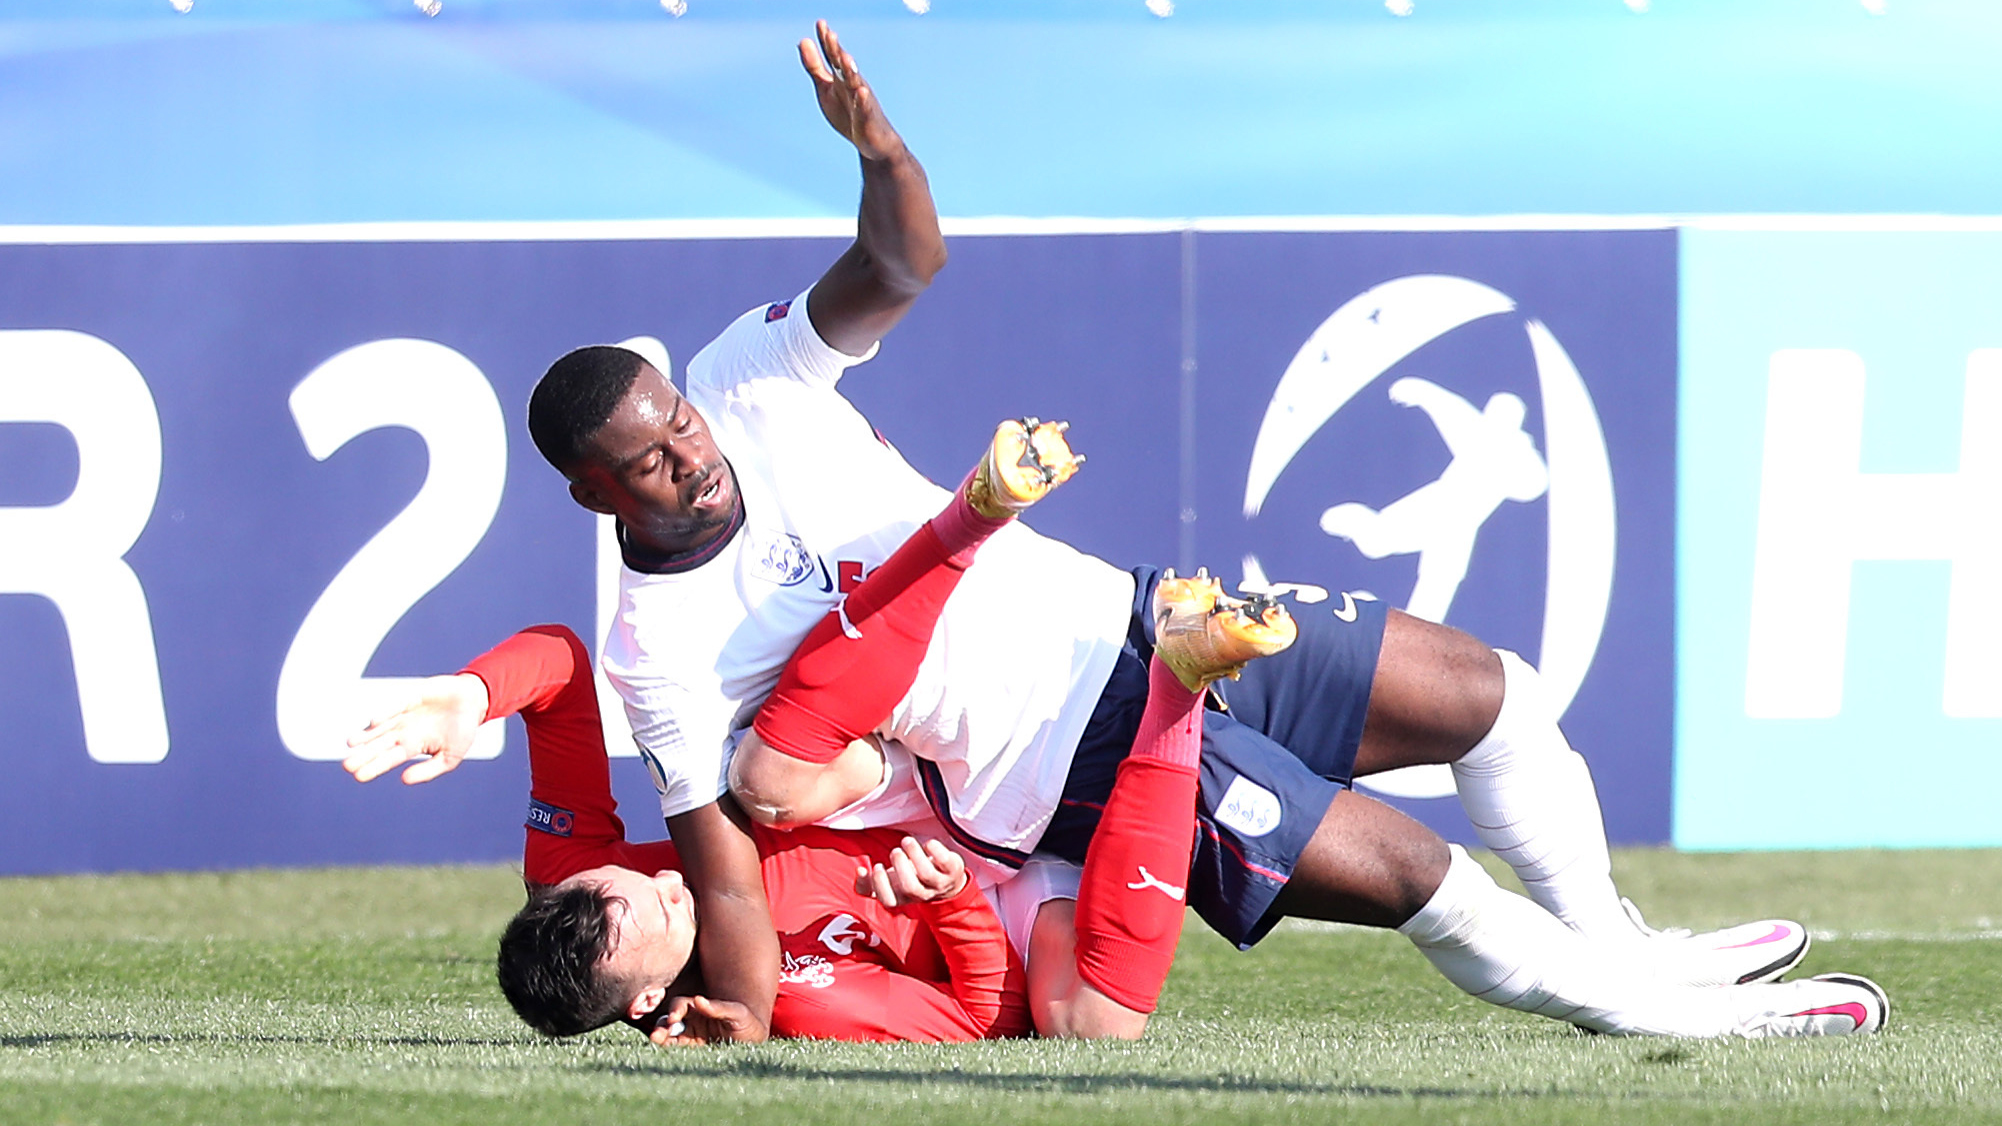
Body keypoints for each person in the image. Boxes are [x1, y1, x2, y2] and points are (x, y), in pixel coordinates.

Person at [353, 419, 1887, 1042]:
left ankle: (1616, 940)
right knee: (1422, 872)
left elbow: (550, 665)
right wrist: (928, 895)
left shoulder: (766, 425)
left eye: (613, 892)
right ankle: (1652, 1011)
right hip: (1074, 762)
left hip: (1126, 615)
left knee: (1494, 696)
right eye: (641, 927)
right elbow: (957, 1007)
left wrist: (458, 694)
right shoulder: (681, 682)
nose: (646, 883)